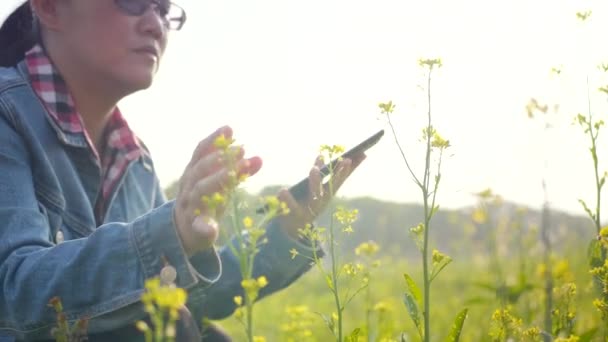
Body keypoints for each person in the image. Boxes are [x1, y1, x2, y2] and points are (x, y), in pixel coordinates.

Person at [0, 0, 366, 341]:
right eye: (132, 0)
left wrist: (286, 229)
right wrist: (168, 233)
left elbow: (192, 299)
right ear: (49, 7)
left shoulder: (135, 160)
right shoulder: (7, 116)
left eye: (163, 9)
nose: (155, 25)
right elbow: (13, 290)